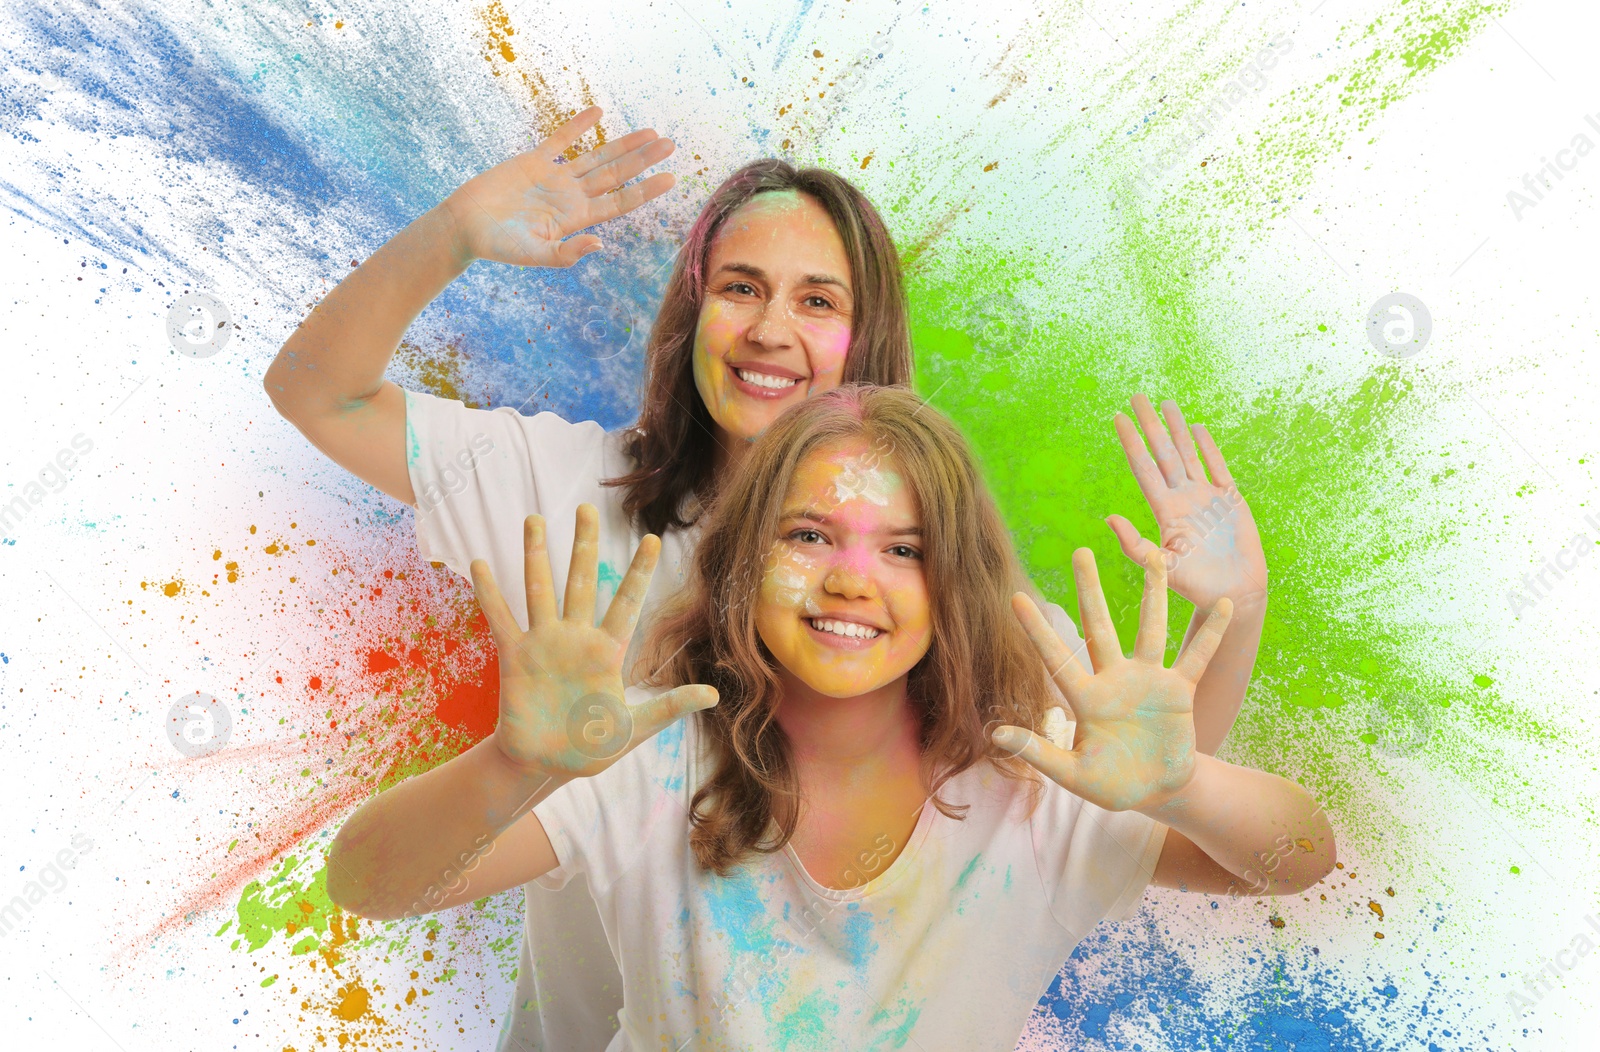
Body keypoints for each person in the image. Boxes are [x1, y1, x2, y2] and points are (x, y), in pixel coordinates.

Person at [264, 108, 1271, 1048]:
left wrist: (1237, 607)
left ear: (866, 339)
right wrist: (451, 234)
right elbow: (316, 392)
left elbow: (1138, 792)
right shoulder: (566, 485)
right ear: (694, 310)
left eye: (817, 300)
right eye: (740, 286)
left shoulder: (940, 593)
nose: (769, 329)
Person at [324, 385, 1334, 1051]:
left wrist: (1184, 776)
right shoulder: (650, 755)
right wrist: (508, 762)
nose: (853, 578)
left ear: (955, 588)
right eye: (809, 533)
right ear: (739, 560)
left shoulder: (1032, 779)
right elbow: (368, 884)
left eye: (903, 549)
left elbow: (1294, 853)